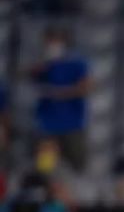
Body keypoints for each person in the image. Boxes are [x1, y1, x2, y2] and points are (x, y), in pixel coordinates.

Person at [29, 27, 92, 171]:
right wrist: (41, 66)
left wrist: (63, 93)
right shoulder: (41, 62)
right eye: (49, 41)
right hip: (47, 125)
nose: (52, 45)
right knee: (45, 168)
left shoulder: (77, 62)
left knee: (77, 167)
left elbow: (87, 86)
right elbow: (25, 78)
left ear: (64, 42)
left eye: (56, 41)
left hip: (73, 125)